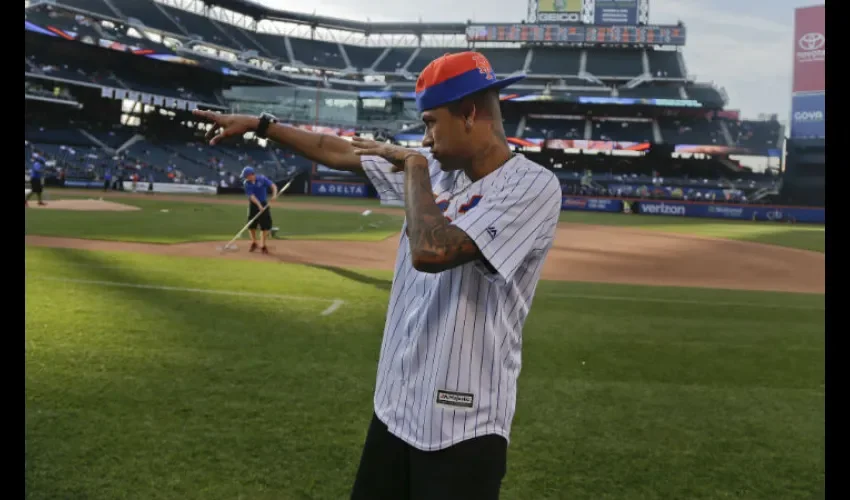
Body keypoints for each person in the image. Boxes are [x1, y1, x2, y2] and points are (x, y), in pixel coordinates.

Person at [192, 50, 563, 499]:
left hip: (464, 427)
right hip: (395, 408)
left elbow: (432, 250)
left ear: (469, 114)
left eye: (430, 123)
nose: (425, 140)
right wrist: (261, 126)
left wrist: (413, 167)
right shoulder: (435, 172)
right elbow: (339, 150)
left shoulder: (531, 185)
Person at [241, 166, 277, 254]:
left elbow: (273, 186)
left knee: (265, 226)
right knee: (251, 224)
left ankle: (263, 245)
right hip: (253, 204)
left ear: (251, 174)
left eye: (246, 176)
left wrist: (274, 195)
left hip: (264, 203)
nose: (245, 178)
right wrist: (259, 206)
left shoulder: (262, 179)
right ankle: (254, 242)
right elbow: (252, 196)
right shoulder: (246, 183)